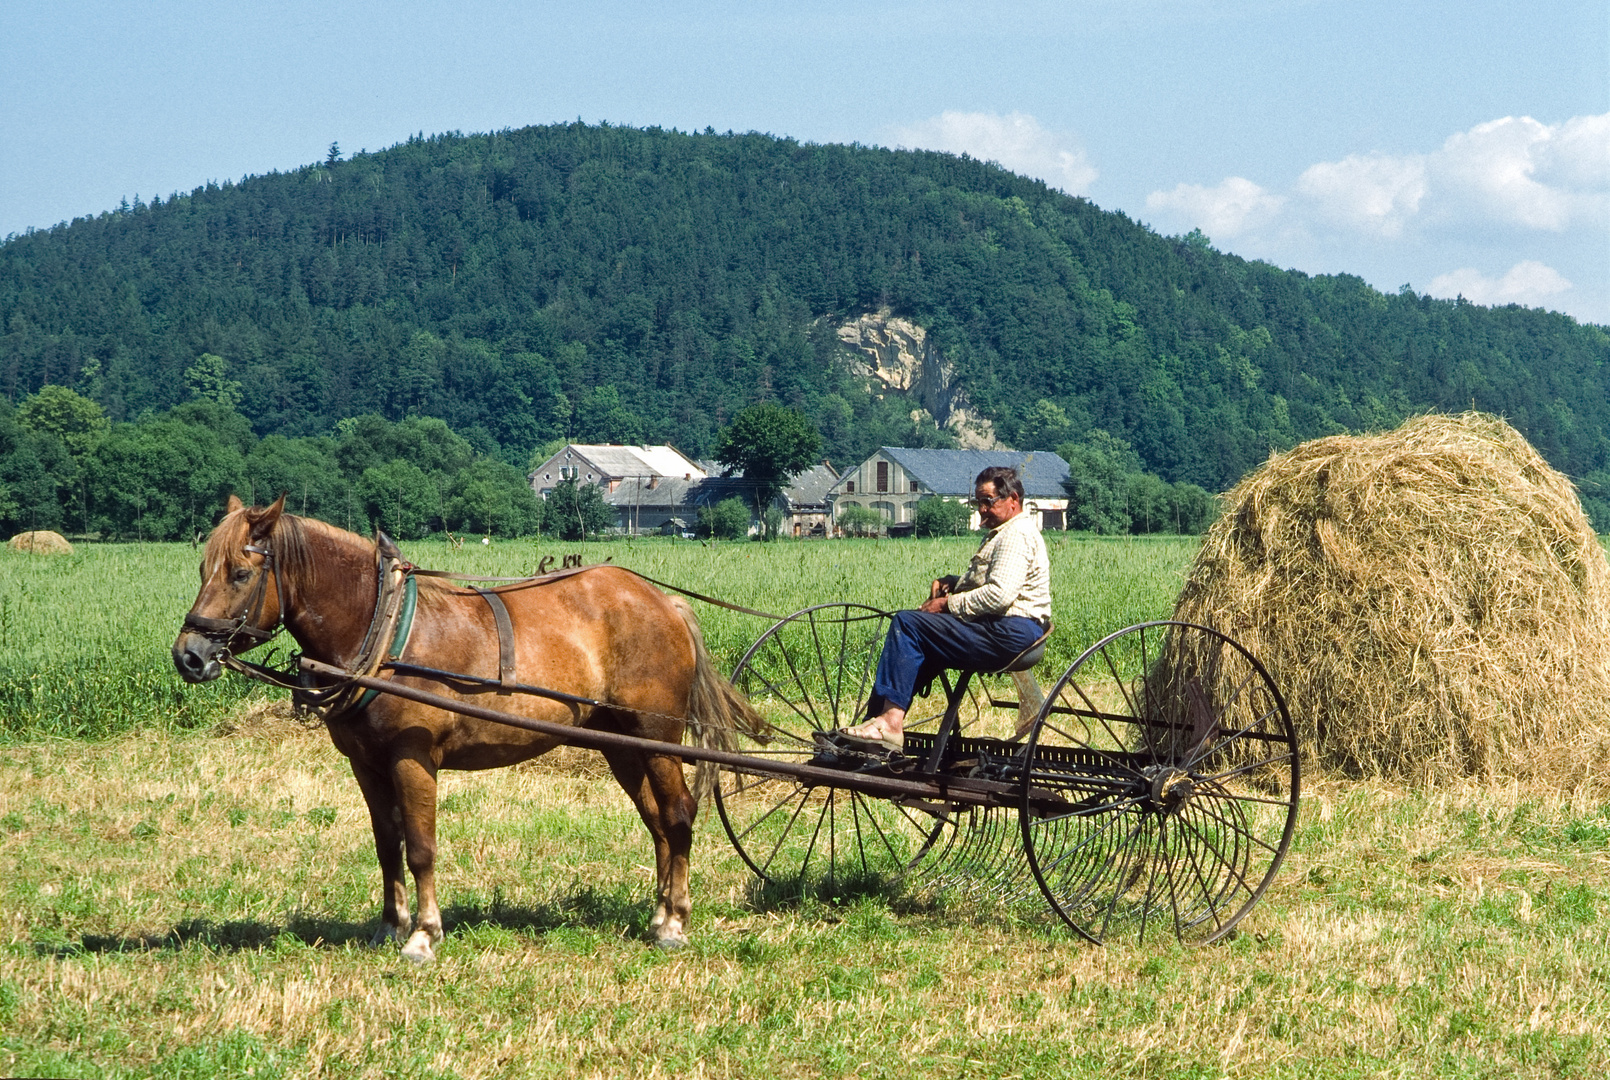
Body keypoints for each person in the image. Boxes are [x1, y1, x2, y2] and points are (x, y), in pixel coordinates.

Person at [837, 465, 1052, 753]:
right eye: (979, 502)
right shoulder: (1004, 532)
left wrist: (947, 603)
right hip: (999, 628)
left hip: (1011, 633)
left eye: (988, 501)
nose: (982, 510)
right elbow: (992, 583)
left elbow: (999, 596)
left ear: (1013, 499)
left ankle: (887, 724)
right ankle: (873, 728)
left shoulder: (1016, 535)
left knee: (908, 624)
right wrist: (954, 583)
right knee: (916, 630)